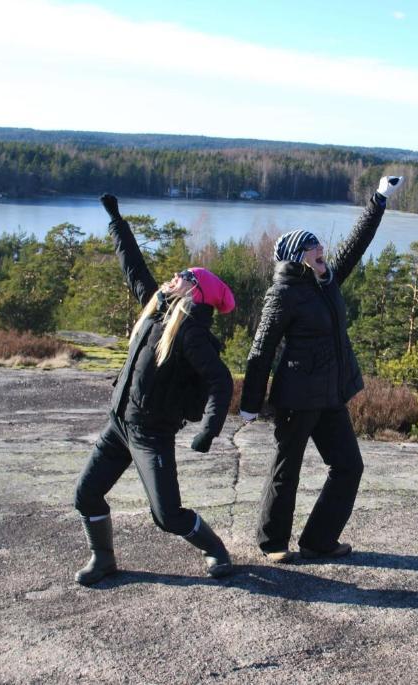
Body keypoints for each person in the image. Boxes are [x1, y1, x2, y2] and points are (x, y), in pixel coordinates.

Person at [239, 175, 404, 563]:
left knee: (348, 466)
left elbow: (356, 244)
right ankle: (273, 544)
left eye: (320, 244)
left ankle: (318, 541)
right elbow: (261, 349)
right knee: (287, 470)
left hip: (330, 395)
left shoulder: (326, 282)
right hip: (297, 397)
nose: (322, 249)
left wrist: (379, 199)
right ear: (297, 256)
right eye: (313, 246)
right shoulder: (283, 294)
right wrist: (251, 402)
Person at [73, 193, 236, 585]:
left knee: (167, 517)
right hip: (119, 424)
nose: (173, 277)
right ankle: (104, 559)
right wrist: (117, 222)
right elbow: (133, 266)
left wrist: (208, 431)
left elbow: (221, 380)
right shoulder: (157, 309)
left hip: (150, 434)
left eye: (183, 276)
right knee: (86, 495)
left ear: (194, 290)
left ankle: (216, 550)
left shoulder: (191, 334)